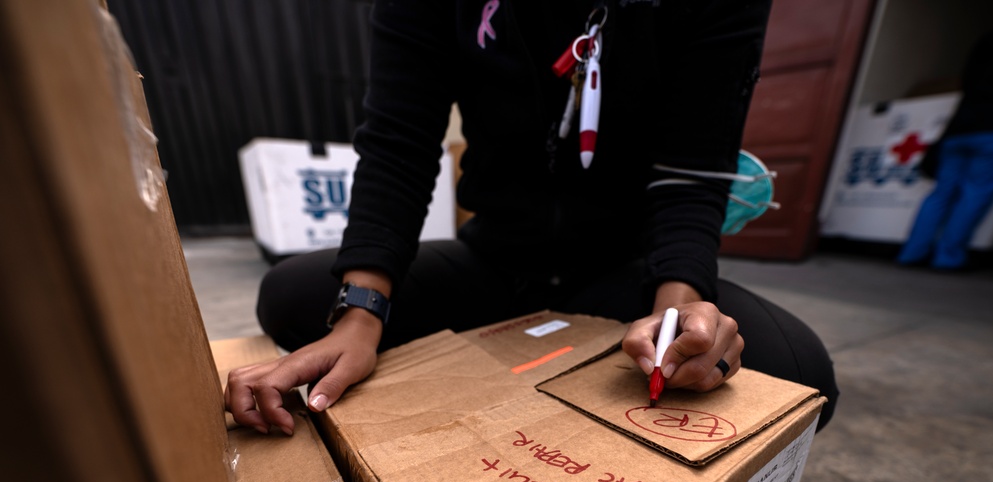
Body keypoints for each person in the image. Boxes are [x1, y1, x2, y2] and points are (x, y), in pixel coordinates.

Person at [225, 0, 839, 436]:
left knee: (798, 373)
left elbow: (691, 172)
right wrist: (360, 315)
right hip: (494, 260)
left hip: (625, 275)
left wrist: (676, 312)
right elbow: (398, 142)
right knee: (294, 293)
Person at [898, 25, 993, 270]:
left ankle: (912, 252)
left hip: (959, 127)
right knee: (974, 195)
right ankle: (948, 257)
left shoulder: (988, 39)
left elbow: (968, 80)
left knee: (941, 194)